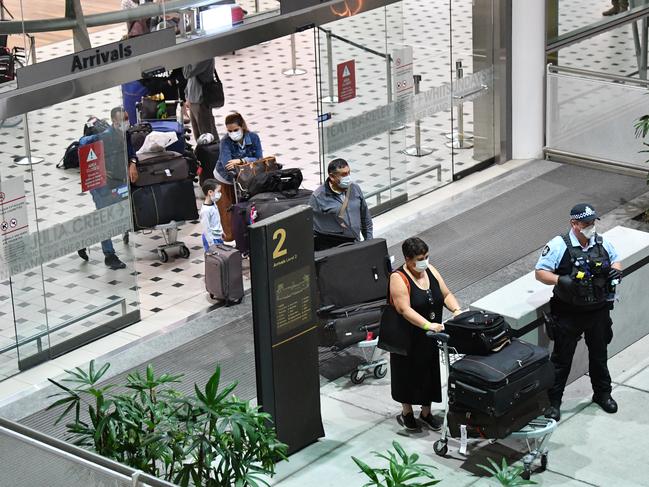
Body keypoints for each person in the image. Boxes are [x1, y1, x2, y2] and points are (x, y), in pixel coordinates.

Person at [535, 203, 623, 421]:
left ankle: (602, 394)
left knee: (599, 355)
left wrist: (615, 272)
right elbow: (540, 273)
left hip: (598, 311)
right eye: (586, 223)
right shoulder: (558, 245)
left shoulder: (601, 242)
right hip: (568, 313)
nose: (590, 227)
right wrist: (561, 280)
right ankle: (553, 403)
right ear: (574, 223)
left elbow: (617, 260)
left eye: (593, 222)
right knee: (561, 360)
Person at [389, 237, 462, 431]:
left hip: (430, 338)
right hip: (408, 338)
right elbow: (404, 309)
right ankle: (407, 412)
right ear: (407, 259)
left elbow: (445, 294)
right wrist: (428, 325)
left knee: (429, 373)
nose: (424, 261)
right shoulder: (398, 278)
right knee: (407, 375)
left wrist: (456, 310)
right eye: (420, 258)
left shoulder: (431, 271)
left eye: (427, 256)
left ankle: (426, 412)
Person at [77, 106, 139, 270]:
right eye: (123, 120)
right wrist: (99, 167)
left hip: (118, 182)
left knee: (115, 213)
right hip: (101, 186)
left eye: (127, 118)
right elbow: (82, 143)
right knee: (105, 218)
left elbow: (132, 152)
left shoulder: (125, 134)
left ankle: (82, 239)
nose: (127, 122)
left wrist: (132, 163)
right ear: (114, 122)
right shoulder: (105, 137)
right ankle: (109, 255)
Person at [212, 112, 263, 243]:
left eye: (236, 130)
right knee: (226, 208)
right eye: (230, 131)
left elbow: (259, 158)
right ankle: (230, 235)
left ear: (242, 127)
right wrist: (244, 163)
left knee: (245, 206)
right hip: (225, 178)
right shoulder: (225, 142)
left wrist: (241, 160)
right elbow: (227, 164)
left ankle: (245, 232)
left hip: (245, 177)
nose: (233, 133)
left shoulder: (254, 138)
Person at [309, 158, 373, 251]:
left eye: (348, 173)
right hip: (336, 251)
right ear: (332, 176)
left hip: (357, 245)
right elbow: (313, 230)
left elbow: (365, 219)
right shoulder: (318, 197)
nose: (348, 177)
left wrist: (369, 242)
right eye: (343, 174)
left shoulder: (355, 188)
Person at [183, 58, 219, 143]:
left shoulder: (204, 57)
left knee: (207, 135)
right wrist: (187, 96)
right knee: (198, 135)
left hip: (201, 100)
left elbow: (187, 73)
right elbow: (191, 80)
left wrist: (183, 59)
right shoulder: (197, 55)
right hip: (194, 98)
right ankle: (203, 154)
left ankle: (214, 153)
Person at [200, 179, 224, 251]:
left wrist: (221, 231)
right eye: (218, 191)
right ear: (210, 192)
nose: (220, 194)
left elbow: (217, 220)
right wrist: (211, 244)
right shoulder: (205, 211)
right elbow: (206, 229)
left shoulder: (214, 204)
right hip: (211, 240)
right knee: (214, 260)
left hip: (218, 237)